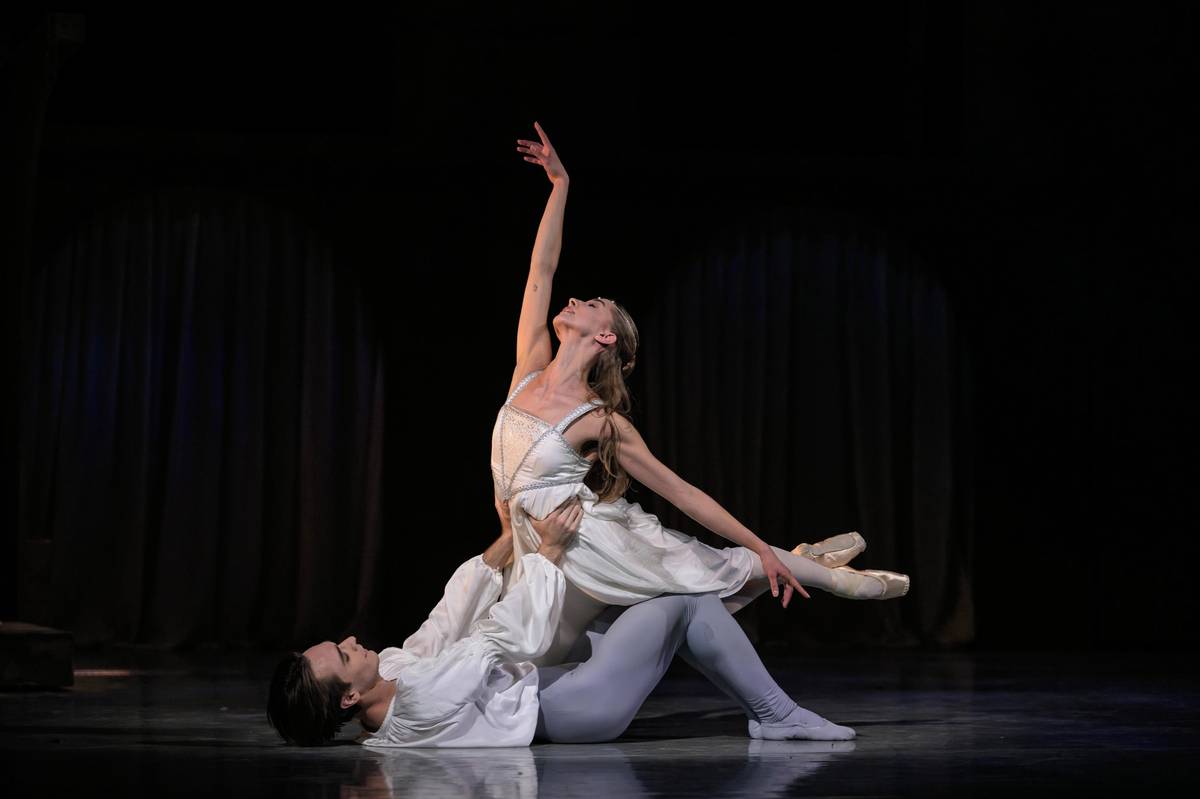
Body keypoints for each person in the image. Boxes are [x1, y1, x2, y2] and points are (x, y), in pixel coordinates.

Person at [494, 121, 909, 664]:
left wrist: (758, 545)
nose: (573, 299)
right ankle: (803, 558)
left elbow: (682, 492)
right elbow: (540, 270)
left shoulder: (601, 420)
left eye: (592, 304)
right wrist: (559, 185)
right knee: (527, 660)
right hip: (533, 544)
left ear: (605, 336)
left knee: (716, 570)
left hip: (588, 542)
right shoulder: (528, 369)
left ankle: (833, 579)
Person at [266, 496, 858, 747]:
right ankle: (777, 710)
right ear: (348, 698)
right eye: (343, 655)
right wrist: (544, 552)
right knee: (679, 599)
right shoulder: (414, 708)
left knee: (646, 595)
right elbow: (499, 636)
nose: (351, 641)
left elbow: (446, 621)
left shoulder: (394, 670)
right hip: (577, 708)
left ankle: (768, 581)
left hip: (557, 683)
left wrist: (508, 537)